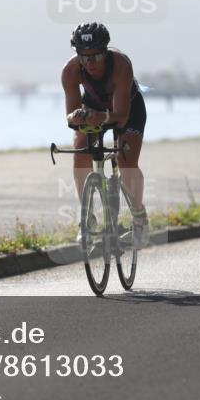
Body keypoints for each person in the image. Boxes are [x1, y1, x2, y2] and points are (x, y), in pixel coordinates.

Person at [61, 22, 148, 242]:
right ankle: (87, 219)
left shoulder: (121, 65)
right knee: (81, 147)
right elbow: (70, 117)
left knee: (126, 161)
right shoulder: (70, 71)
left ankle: (139, 219)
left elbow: (122, 116)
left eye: (96, 57)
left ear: (105, 52)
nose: (90, 63)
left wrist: (102, 117)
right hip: (93, 108)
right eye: (84, 57)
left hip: (128, 108)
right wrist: (76, 117)